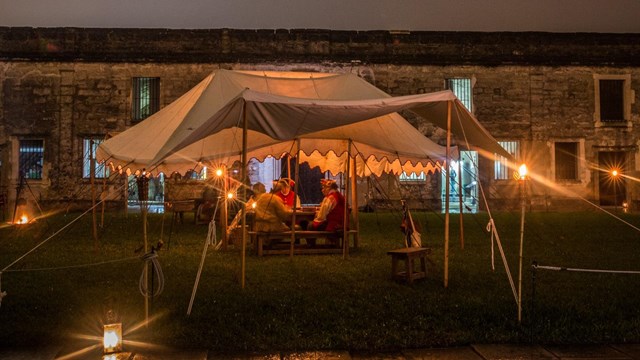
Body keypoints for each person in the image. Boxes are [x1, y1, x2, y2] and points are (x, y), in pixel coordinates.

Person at [307, 179, 346, 246]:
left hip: (334, 225)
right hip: (342, 224)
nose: (322, 190)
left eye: (323, 188)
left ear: (329, 188)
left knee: (310, 225)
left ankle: (311, 246)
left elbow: (321, 216)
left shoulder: (330, 198)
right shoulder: (339, 196)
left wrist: (317, 214)